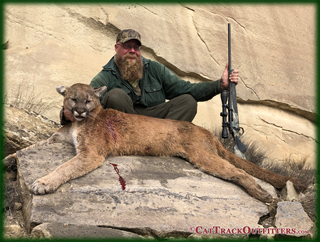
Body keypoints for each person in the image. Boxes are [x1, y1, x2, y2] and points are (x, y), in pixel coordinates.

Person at [61, 29, 239, 124]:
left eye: (136, 48)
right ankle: (133, 142)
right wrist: (65, 114)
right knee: (115, 95)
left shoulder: (154, 68)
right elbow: (86, 100)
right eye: (127, 46)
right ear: (117, 48)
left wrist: (220, 85)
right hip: (127, 127)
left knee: (188, 101)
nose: (132, 51)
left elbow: (188, 89)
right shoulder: (105, 76)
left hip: (156, 123)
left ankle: (165, 141)